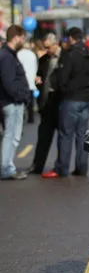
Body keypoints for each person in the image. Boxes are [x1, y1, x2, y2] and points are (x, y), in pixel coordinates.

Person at [42, 27, 89, 178]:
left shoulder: (69, 55)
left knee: (66, 134)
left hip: (71, 98)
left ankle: (62, 167)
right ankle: (81, 168)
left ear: (71, 39)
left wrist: (65, 90)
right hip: (86, 99)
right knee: (82, 134)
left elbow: (62, 79)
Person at [26, 33, 64, 175]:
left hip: (60, 103)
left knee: (63, 138)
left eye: (48, 47)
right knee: (43, 137)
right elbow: (39, 77)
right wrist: (38, 82)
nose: (46, 50)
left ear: (56, 44)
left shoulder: (64, 58)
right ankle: (37, 166)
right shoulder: (43, 59)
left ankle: (61, 166)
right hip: (46, 103)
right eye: (44, 47)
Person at [0, 25, 31, 180]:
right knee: (11, 136)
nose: (24, 41)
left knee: (12, 136)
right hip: (12, 103)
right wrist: (21, 97)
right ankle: (6, 168)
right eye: (23, 38)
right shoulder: (6, 56)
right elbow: (9, 82)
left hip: (12, 102)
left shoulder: (9, 55)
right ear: (16, 37)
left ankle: (7, 166)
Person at [17, 41, 38, 124]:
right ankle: (31, 117)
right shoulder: (32, 54)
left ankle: (22, 117)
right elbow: (36, 66)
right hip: (31, 80)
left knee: (21, 102)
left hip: (22, 81)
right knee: (30, 102)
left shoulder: (19, 54)